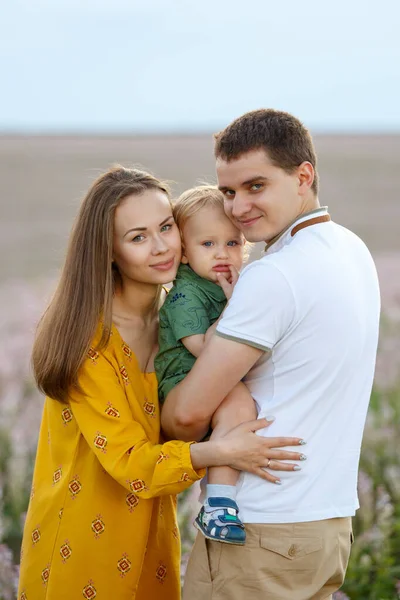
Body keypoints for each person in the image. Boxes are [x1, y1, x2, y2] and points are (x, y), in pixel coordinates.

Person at [18, 165, 306, 600]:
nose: (161, 248)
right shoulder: (89, 343)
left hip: (154, 542)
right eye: (137, 237)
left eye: (166, 227)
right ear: (109, 252)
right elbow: (133, 462)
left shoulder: (176, 322)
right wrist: (223, 451)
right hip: (82, 549)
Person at [161, 109, 381, 600]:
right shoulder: (352, 250)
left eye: (255, 186)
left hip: (258, 531)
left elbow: (187, 415)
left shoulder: (273, 275)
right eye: (229, 191)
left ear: (304, 176)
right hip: (326, 524)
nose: (238, 207)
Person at [155, 185, 277, 546]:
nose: (222, 254)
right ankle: (217, 504)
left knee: (239, 411)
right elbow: (206, 348)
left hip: (206, 376)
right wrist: (235, 304)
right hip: (181, 381)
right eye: (207, 245)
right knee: (238, 402)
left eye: (233, 243)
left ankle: (220, 497)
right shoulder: (183, 295)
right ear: (185, 253)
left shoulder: (225, 282)